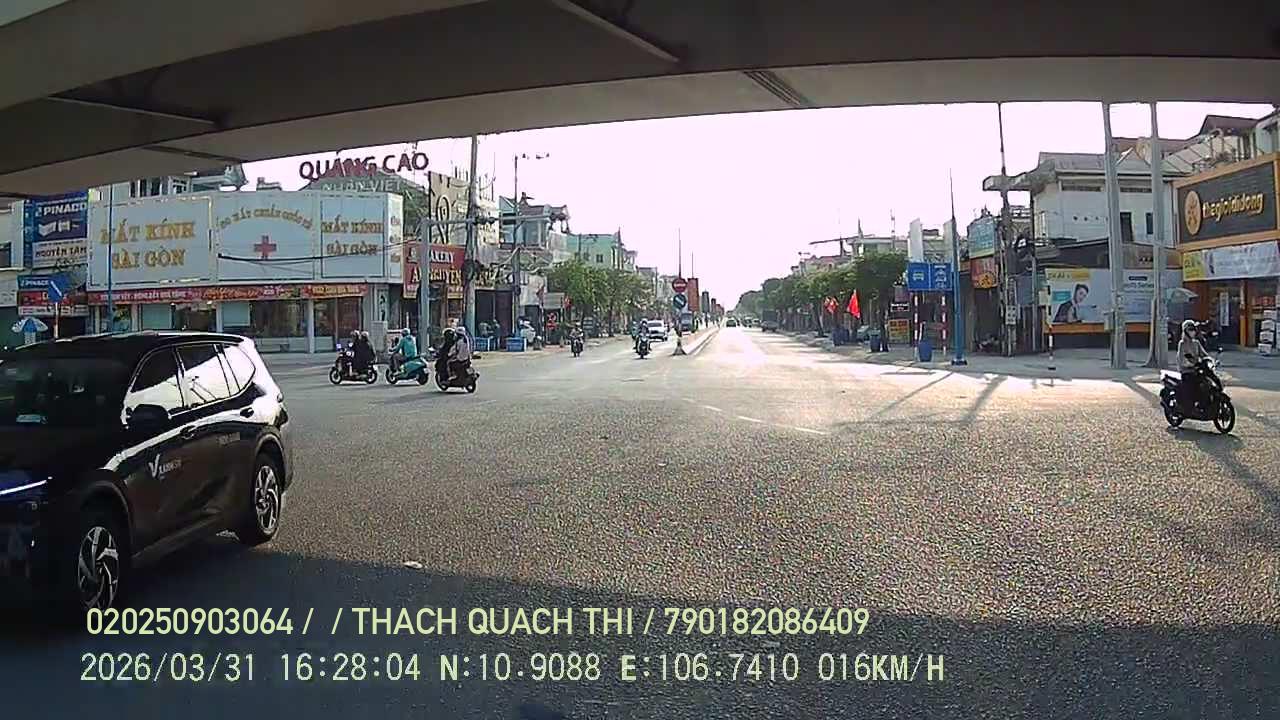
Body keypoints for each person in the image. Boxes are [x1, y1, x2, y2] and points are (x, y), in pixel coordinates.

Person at [1178, 319, 1210, 411]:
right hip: (1187, 371)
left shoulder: (1196, 343)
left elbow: (1204, 354)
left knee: (1206, 383)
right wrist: (1189, 364)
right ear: (1185, 331)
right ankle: (1188, 408)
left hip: (1197, 370)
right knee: (1191, 387)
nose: (1193, 332)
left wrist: (1209, 360)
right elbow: (1182, 358)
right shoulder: (1182, 344)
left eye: (1194, 329)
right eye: (1190, 330)